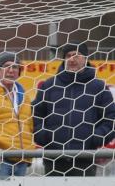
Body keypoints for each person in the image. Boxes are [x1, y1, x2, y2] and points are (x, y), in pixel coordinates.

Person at [32, 43, 115, 176]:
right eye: (68, 56)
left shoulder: (98, 87)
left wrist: (96, 138)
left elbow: (111, 118)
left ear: (85, 58)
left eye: (77, 55)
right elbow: (36, 115)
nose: (72, 59)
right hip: (53, 157)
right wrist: (44, 136)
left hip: (85, 157)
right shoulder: (49, 85)